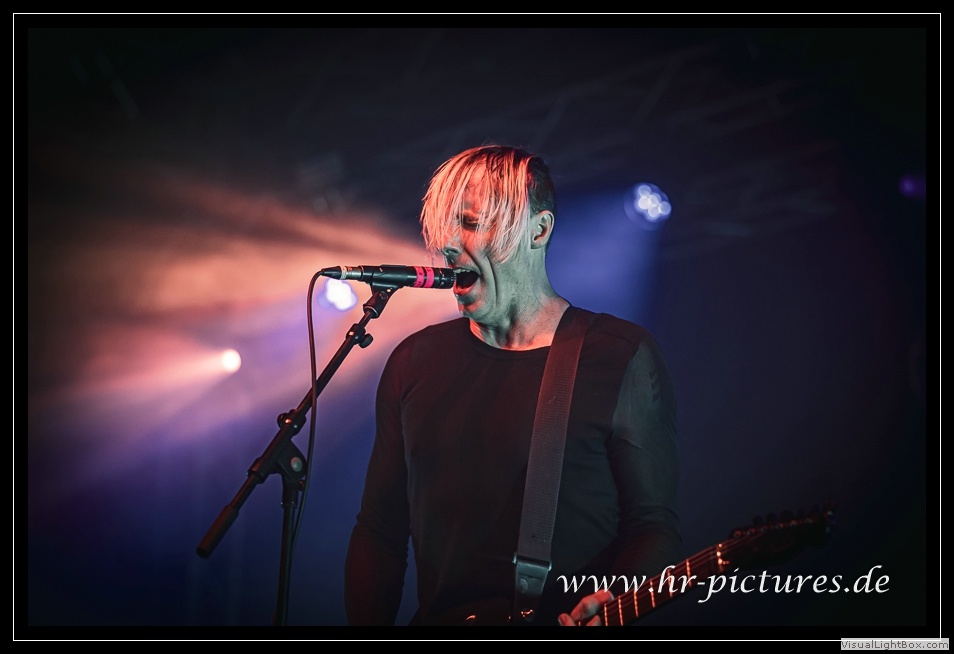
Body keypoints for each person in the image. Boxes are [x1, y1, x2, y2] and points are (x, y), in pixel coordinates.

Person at [343, 144, 681, 627]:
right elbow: (379, 531)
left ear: (538, 231)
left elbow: (653, 527)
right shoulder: (414, 361)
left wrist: (612, 600)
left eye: (471, 223)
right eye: (447, 227)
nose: (449, 244)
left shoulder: (619, 355)